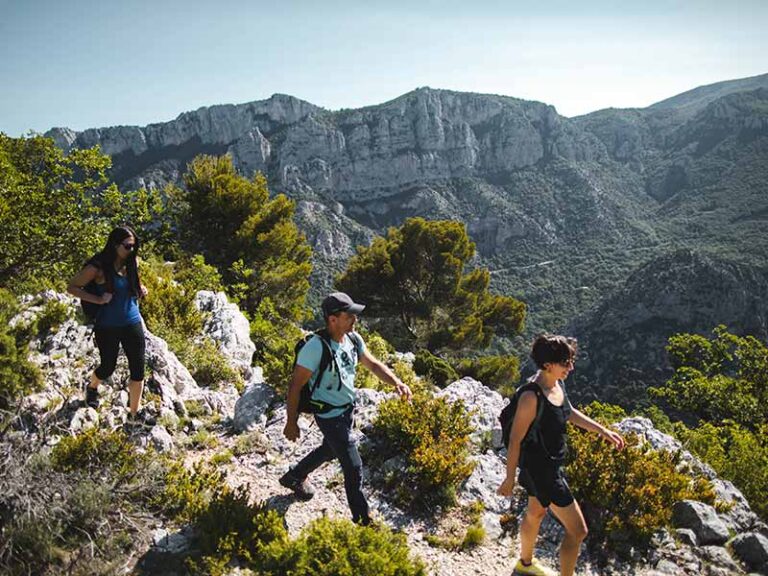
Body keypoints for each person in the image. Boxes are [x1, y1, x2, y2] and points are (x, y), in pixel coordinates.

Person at [497, 334, 625, 576]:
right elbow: (514, 440)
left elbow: (568, 411)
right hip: (543, 472)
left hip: (546, 468)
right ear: (548, 365)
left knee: (535, 513)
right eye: (566, 362)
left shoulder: (557, 384)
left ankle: (524, 565)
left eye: (571, 361)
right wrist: (509, 478)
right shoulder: (530, 397)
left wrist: (603, 430)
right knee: (578, 531)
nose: (571, 367)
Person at [281, 291, 412, 526]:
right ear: (333, 319)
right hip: (329, 415)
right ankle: (363, 521)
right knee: (353, 466)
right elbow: (295, 387)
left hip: (347, 410)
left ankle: (295, 476)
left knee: (331, 449)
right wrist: (291, 422)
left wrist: (397, 382)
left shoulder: (353, 340)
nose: (355, 319)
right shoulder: (314, 347)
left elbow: (373, 364)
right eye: (349, 315)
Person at [67, 225, 148, 422]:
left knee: (138, 370)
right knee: (108, 367)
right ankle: (92, 387)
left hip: (132, 322)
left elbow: (131, 287)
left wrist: (140, 290)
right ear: (115, 244)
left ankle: (134, 415)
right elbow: (72, 287)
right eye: (127, 246)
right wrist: (98, 300)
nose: (131, 250)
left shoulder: (131, 263)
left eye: (134, 246)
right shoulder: (99, 266)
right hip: (107, 326)